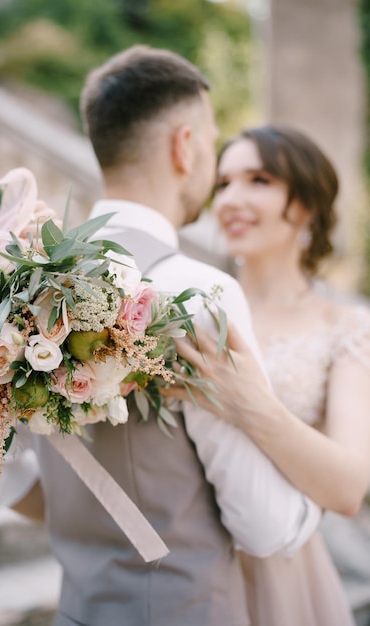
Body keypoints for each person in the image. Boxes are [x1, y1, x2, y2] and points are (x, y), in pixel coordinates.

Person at [0, 51, 322, 626]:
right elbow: (265, 526)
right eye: (212, 140)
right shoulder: (200, 292)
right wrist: (311, 508)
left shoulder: (17, 285)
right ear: (185, 146)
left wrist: (94, 527)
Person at [165, 124, 370, 626]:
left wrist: (248, 403)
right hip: (186, 560)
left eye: (258, 180)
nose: (231, 199)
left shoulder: (346, 325)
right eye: (224, 183)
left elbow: (348, 488)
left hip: (292, 565)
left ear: (303, 204)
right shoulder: (194, 313)